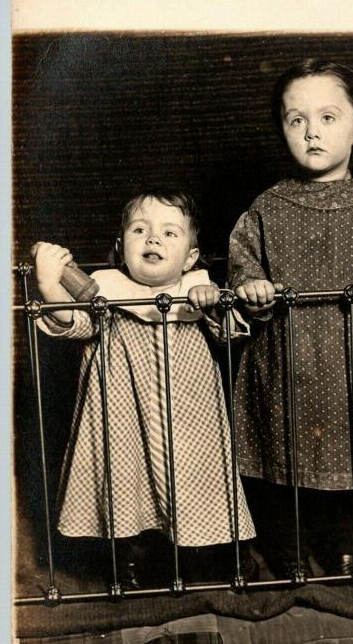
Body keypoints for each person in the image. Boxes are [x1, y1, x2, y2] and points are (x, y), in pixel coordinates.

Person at [228, 59, 353, 579]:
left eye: (327, 117)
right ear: (283, 129)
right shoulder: (267, 208)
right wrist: (250, 288)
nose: (312, 131)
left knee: (348, 457)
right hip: (291, 361)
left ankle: (343, 543)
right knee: (287, 457)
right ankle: (289, 546)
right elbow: (242, 264)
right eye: (296, 120)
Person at [34, 190, 256, 588]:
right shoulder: (104, 289)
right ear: (121, 248)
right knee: (122, 481)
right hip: (121, 418)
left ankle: (206, 555)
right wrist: (51, 285)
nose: (153, 239)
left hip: (189, 420)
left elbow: (232, 334)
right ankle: (127, 558)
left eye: (170, 233)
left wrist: (215, 305)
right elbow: (75, 325)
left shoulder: (198, 288)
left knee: (194, 484)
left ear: (190, 256)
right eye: (140, 230)